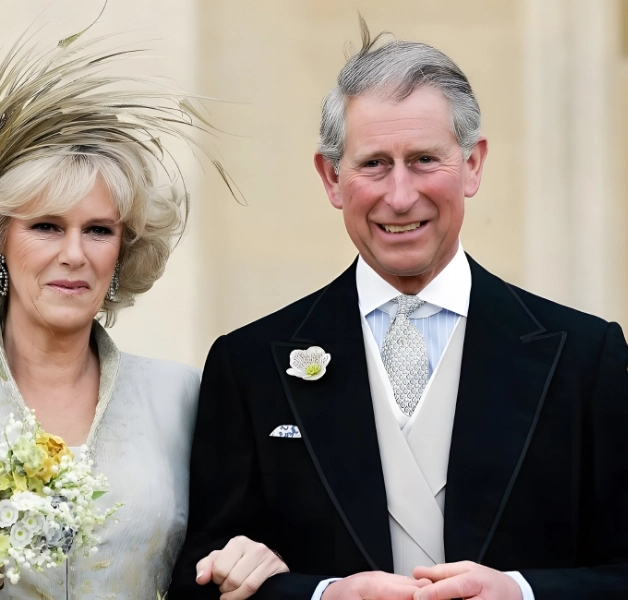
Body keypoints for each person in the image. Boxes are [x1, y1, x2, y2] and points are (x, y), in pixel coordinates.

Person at [170, 20, 628, 600]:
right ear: (331, 177)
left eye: (424, 159)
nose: (401, 195)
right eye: (374, 164)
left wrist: (520, 592)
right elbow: (200, 582)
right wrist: (325, 595)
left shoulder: (586, 358)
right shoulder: (248, 366)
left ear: (473, 164)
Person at [0, 29, 287, 600]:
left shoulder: (183, 397)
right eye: (46, 226)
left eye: (98, 230)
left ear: (122, 250)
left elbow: (219, 560)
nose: (74, 254)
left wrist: (259, 560)